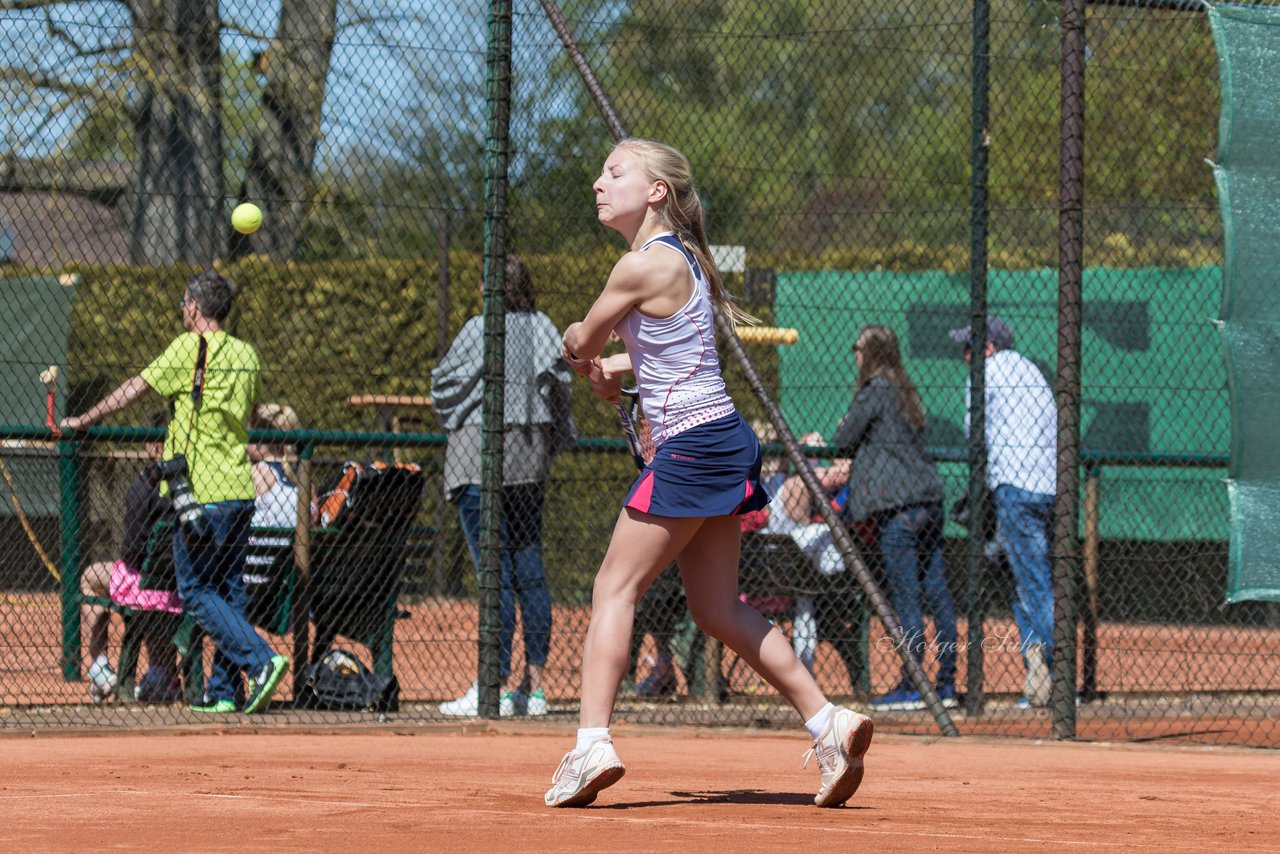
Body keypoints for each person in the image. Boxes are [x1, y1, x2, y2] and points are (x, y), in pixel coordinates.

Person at [548, 138, 872, 809]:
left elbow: (581, 340)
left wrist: (580, 343)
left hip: (693, 445)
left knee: (614, 586)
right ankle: (828, 723)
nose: (597, 184)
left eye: (615, 172)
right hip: (725, 436)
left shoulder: (638, 265)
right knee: (717, 608)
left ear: (657, 191)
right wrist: (618, 369)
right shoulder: (685, 260)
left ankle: (591, 745)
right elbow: (674, 353)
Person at [61, 269, 289, 715]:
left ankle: (262, 662)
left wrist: (83, 420)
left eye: (184, 302)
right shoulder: (247, 354)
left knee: (196, 590)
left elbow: (135, 388)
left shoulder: (189, 348)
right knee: (229, 592)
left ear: (195, 307)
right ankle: (225, 691)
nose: (181, 310)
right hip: (241, 491)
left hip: (201, 493)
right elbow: (245, 412)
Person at [431, 253, 569, 718]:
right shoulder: (544, 328)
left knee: (496, 574)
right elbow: (560, 392)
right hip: (530, 460)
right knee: (528, 568)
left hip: (478, 459)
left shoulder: (478, 327)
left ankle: (490, 686)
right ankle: (532, 689)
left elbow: (444, 385)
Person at [833, 324, 959, 711]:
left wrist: (843, 427)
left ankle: (911, 685)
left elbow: (843, 440)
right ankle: (947, 686)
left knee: (906, 596)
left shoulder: (876, 391)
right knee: (936, 592)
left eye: (857, 348)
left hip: (899, 510)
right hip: (928, 502)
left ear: (870, 353)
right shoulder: (904, 391)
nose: (854, 355)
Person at [949, 316, 1056, 708]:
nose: (964, 355)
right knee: (1025, 582)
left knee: (1034, 585)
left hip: (1015, 488)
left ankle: (1062, 684)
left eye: (970, 347)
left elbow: (973, 433)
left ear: (989, 347)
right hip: (1050, 489)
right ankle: (1040, 682)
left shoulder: (986, 373)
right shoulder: (1032, 369)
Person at [80, 410, 182, 704]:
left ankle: (99, 667)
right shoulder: (190, 480)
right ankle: (161, 674)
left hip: (143, 585)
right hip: (179, 585)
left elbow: (131, 550)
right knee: (157, 584)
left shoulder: (145, 482)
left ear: (153, 446)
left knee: (90, 577)